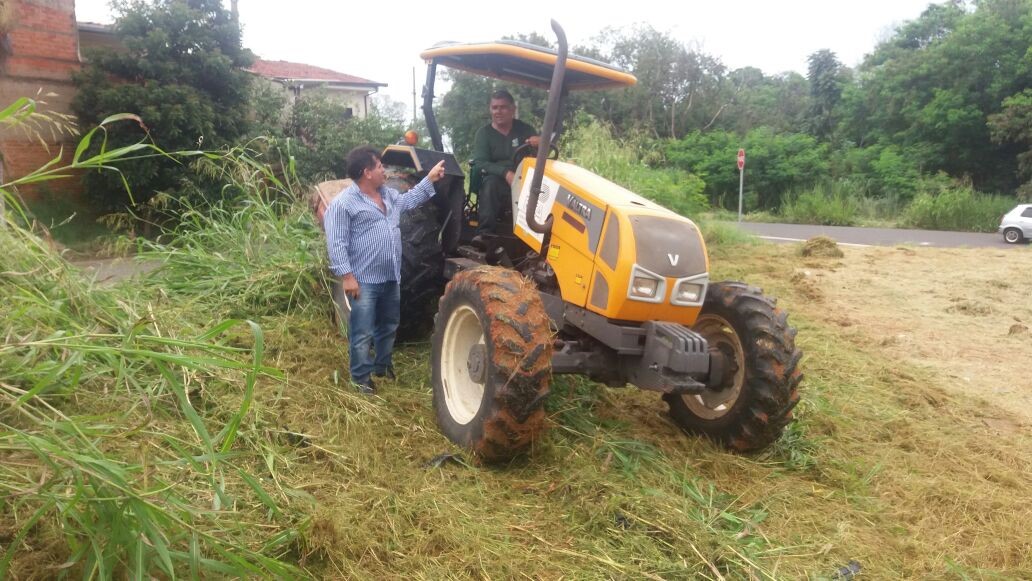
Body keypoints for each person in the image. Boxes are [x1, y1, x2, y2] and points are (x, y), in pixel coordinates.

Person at [325, 146, 446, 394]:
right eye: (379, 166)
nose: (384, 170)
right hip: (363, 280)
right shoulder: (344, 204)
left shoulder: (388, 196)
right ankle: (361, 379)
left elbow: (409, 200)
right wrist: (347, 277)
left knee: (389, 325)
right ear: (366, 172)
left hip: (391, 276)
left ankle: (382, 366)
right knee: (362, 332)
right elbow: (336, 242)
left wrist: (429, 179)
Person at [470, 89, 540, 235]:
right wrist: (505, 173)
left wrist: (540, 144)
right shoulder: (484, 134)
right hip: (498, 181)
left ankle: (536, 234)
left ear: (513, 109)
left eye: (503, 107)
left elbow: (539, 157)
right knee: (491, 185)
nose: (498, 111)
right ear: (490, 110)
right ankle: (485, 234)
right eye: (495, 107)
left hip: (524, 180)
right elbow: (480, 163)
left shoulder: (525, 130)